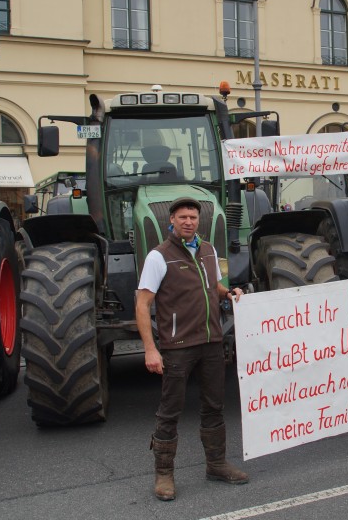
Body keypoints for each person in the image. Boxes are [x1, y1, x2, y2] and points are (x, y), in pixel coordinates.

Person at [136, 197, 247, 501]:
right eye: (182, 217)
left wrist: (230, 293)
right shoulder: (159, 256)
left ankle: (217, 464)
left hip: (211, 342)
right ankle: (163, 475)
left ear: (199, 221)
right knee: (169, 412)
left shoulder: (209, 250)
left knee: (214, 406)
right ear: (171, 220)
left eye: (193, 217)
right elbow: (143, 304)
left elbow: (213, 286)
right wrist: (150, 349)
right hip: (178, 347)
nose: (188, 221)